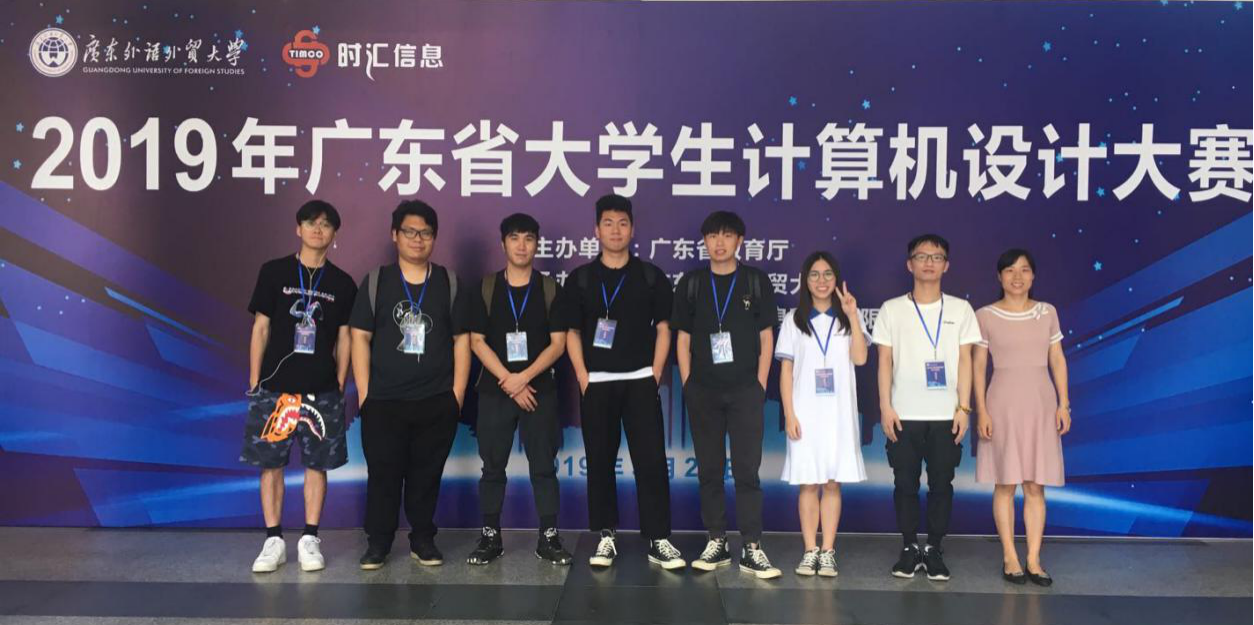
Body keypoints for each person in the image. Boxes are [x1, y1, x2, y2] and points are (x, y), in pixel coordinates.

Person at [564, 194, 685, 570]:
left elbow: (664, 328)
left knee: (651, 461)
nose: (615, 230)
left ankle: (659, 538)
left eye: (622, 223)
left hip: (640, 381)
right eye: (608, 223)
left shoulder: (650, 276)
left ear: (632, 230)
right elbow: (571, 332)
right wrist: (583, 376)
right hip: (597, 383)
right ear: (596, 230)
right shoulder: (581, 279)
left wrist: (655, 373)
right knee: (600, 461)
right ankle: (606, 536)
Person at [349, 200, 470, 570]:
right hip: (383, 401)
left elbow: (461, 341)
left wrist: (456, 396)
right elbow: (359, 337)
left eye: (426, 233)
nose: (418, 239)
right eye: (410, 232)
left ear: (434, 238)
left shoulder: (448, 282)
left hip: (436, 399)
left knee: (426, 476)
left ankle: (422, 539)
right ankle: (378, 543)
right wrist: (365, 394)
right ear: (395, 235)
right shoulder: (377, 281)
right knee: (383, 476)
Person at [242, 200, 357, 573]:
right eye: (311, 222)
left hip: (321, 389)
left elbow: (345, 337)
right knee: (270, 464)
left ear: (334, 233)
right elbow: (261, 328)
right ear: (298, 229)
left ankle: (310, 538)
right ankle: (273, 540)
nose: (318, 229)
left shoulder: (342, 283)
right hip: (275, 388)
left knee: (317, 465)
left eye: (325, 224)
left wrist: (339, 381)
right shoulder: (274, 272)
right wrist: (255, 379)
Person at [672, 210, 781, 579]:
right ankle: (716, 540)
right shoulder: (692, 283)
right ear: (704, 241)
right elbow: (682, 338)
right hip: (703, 390)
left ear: (739, 241)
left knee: (747, 471)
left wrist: (760, 383)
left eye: (727, 235)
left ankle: (752, 546)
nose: (719, 243)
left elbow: (766, 337)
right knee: (710, 470)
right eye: (712, 236)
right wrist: (688, 382)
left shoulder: (754, 281)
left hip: (746, 391)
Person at [872, 234, 981, 582]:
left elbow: (966, 360)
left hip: (946, 415)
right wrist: (885, 406)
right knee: (904, 483)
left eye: (937, 257)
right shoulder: (891, 309)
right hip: (904, 414)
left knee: (941, 484)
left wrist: (964, 407)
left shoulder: (961, 309)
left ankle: (934, 547)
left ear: (946, 265)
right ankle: (908, 547)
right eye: (922, 256)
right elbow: (884, 361)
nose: (929, 262)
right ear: (910, 264)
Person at [465, 213, 573, 566]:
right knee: (492, 466)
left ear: (537, 244)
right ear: (503, 244)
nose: (522, 245)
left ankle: (549, 537)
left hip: (539, 391)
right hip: (495, 390)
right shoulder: (486, 288)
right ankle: (490, 537)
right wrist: (509, 382)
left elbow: (558, 344)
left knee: (544, 466)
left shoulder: (550, 289)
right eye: (514, 238)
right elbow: (476, 341)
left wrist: (523, 377)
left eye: (528, 238)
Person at [973, 248, 1071, 587]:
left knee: (1034, 484)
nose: (1018, 277)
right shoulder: (985, 315)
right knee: (1005, 482)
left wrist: (1063, 404)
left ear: (1033, 276)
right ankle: (1009, 556)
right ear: (999, 277)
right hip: (1002, 404)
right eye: (1010, 270)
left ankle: (1033, 558)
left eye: (1025, 270)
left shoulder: (1047, 312)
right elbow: (978, 366)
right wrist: (981, 409)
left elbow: (1057, 358)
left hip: (1041, 403)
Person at [775, 251, 868, 578]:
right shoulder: (793, 319)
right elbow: (786, 371)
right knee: (808, 483)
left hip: (838, 413)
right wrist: (789, 414)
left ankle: (828, 550)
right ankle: (809, 550)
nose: (821, 281)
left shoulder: (849, 316)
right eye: (814, 274)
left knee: (831, 483)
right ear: (805, 280)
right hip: (805, 413)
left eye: (828, 274)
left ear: (837, 279)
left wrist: (853, 316)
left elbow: (860, 359)